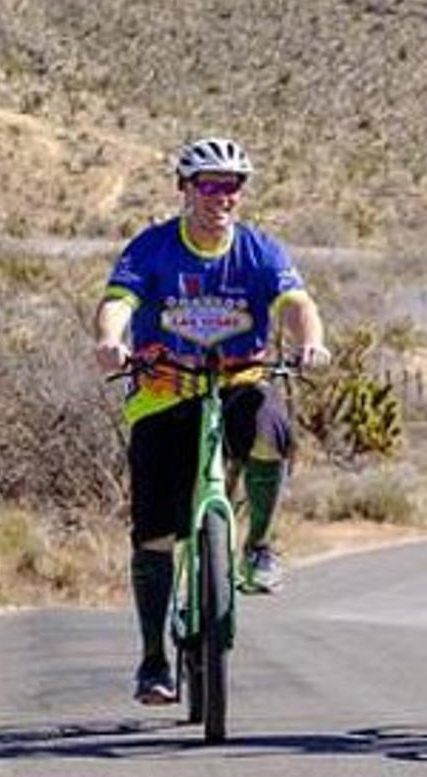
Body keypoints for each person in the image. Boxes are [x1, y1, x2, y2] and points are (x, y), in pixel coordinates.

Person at [91, 137, 329, 705]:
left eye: (233, 186)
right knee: (153, 532)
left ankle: (260, 548)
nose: (222, 197)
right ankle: (153, 662)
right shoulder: (151, 248)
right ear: (185, 189)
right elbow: (119, 300)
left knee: (272, 427)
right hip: (164, 392)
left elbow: (296, 304)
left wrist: (311, 342)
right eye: (210, 185)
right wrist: (109, 339)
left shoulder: (259, 250)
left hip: (238, 383)